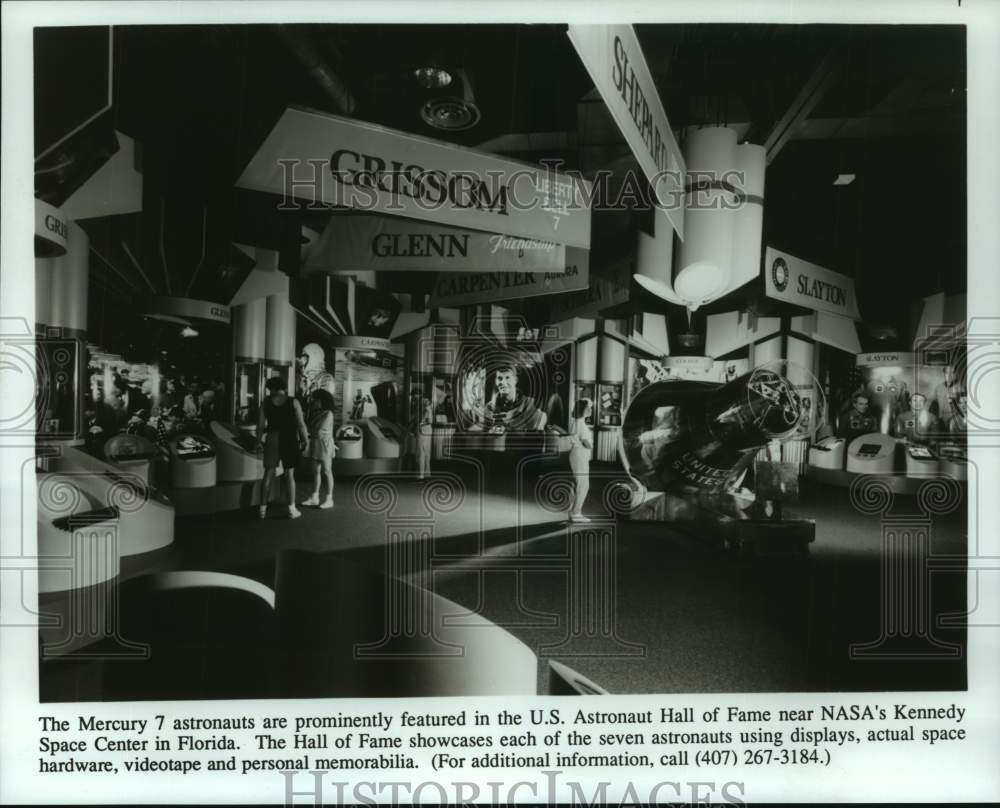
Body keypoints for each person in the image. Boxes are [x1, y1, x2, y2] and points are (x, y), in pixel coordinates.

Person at [255, 376, 309, 520]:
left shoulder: (265, 402)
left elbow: (260, 425)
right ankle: (292, 509)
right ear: (284, 388)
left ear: (272, 388)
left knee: (268, 473)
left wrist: (258, 441)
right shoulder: (293, 402)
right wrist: (305, 440)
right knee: (289, 475)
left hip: (272, 438)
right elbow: (301, 424)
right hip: (289, 439)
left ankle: (262, 510)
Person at [301, 389, 336, 509]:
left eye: (315, 400)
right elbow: (311, 428)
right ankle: (314, 498)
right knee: (315, 471)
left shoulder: (328, 414)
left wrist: (309, 429)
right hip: (316, 443)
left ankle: (329, 499)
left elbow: (319, 430)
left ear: (321, 400)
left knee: (327, 471)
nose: (314, 402)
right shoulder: (316, 412)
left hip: (324, 445)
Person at [568, 398, 594, 523]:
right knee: (583, 485)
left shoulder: (577, 422)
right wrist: (591, 446)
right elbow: (586, 442)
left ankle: (573, 512)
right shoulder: (580, 424)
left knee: (577, 484)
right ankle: (576, 513)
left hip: (577, 455)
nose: (590, 409)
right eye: (588, 407)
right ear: (583, 409)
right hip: (580, 455)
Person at [416, 397, 434, 480]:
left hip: (423, 432)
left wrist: (420, 424)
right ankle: (427, 473)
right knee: (427, 453)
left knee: (421, 452)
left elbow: (429, 421)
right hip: (428, 431)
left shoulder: (426, 410)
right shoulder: (429, 409)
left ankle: (420, 474)